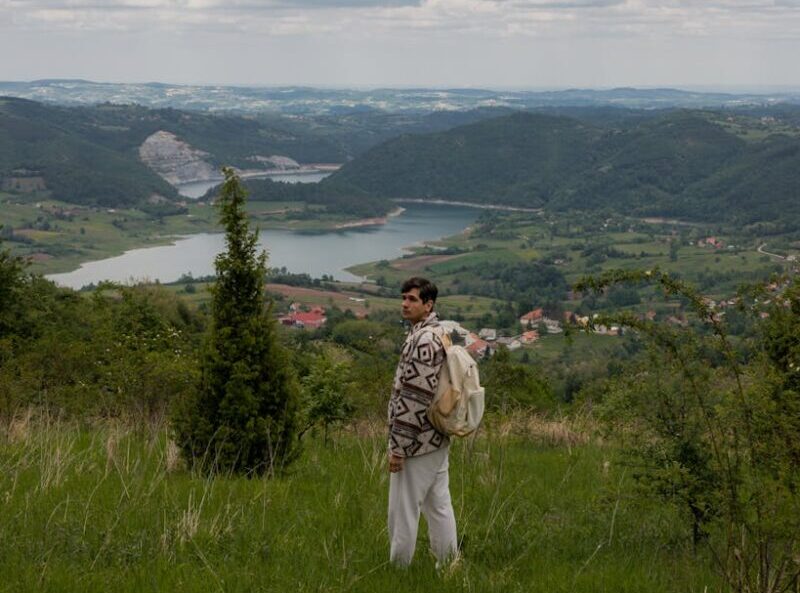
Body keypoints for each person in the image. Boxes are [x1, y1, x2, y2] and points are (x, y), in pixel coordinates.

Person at [387, 276, 458, 567]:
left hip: (417, 442)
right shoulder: (439, 332)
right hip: (437, 437)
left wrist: (398, 446)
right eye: (403, 297)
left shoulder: (424, 340)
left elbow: (415, 398)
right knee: (439, 505)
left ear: (428, 305)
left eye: (412, 299)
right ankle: (449, 563)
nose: (405, 304)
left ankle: (397, 570)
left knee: (403, 509)